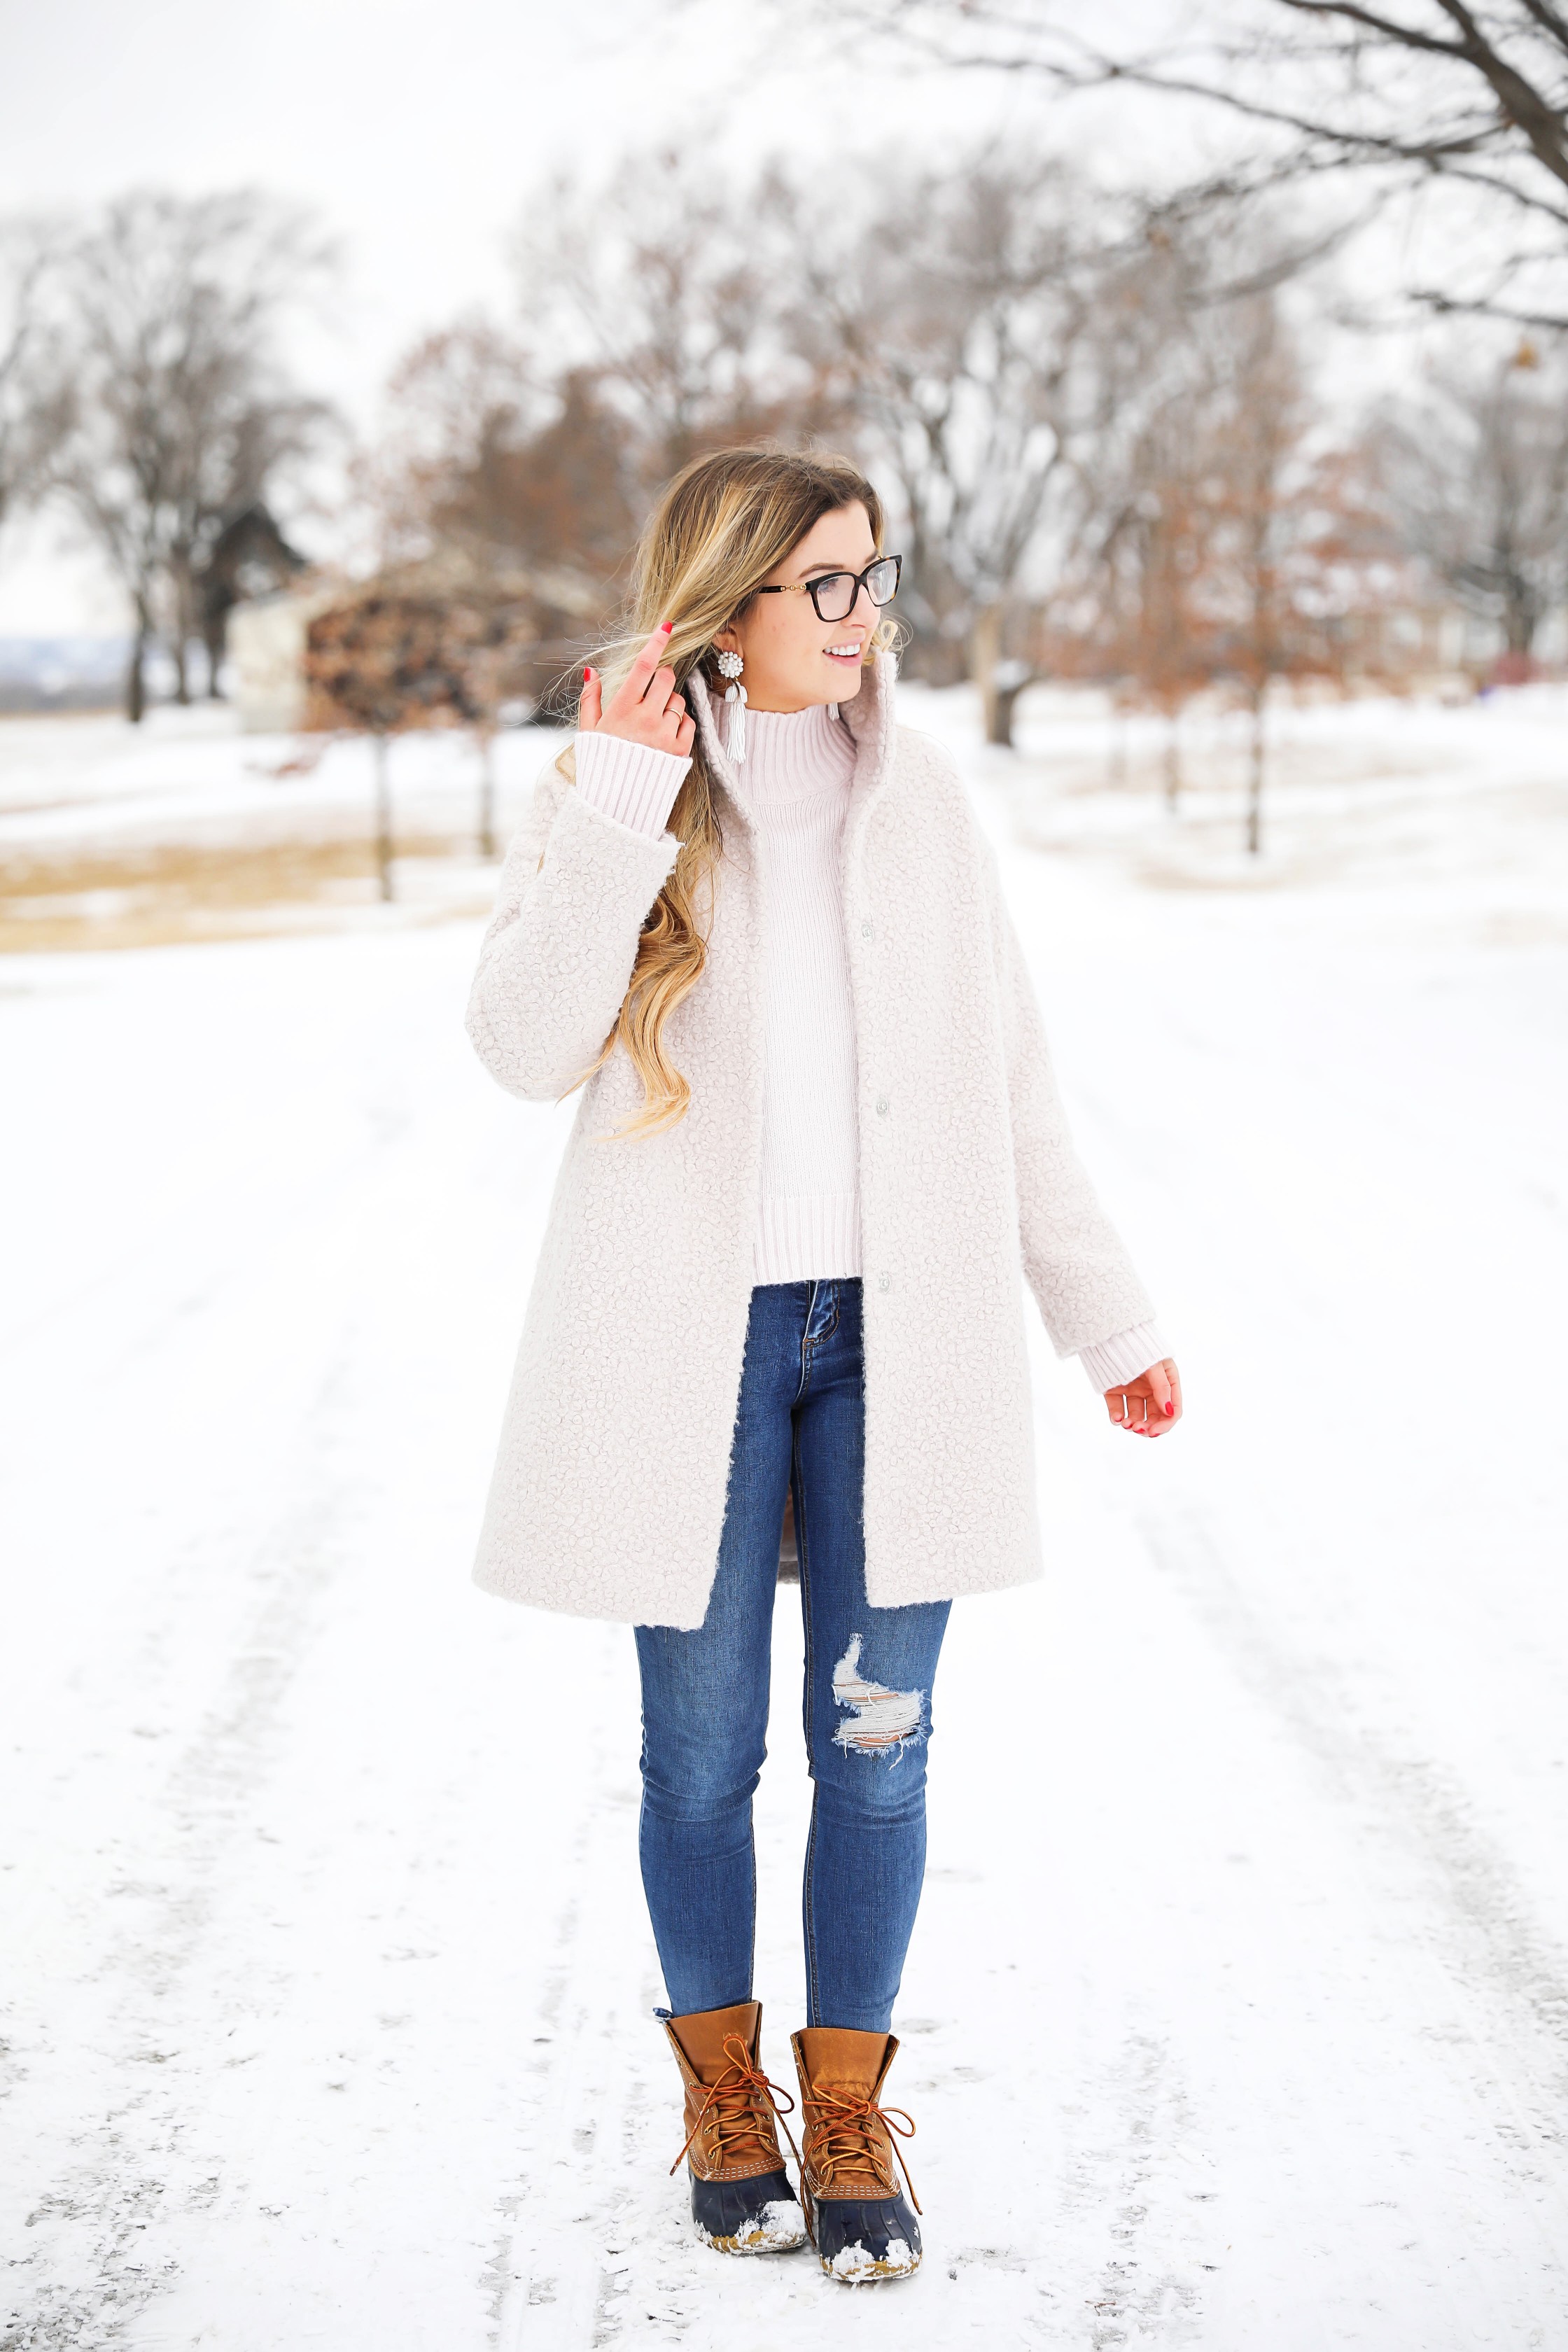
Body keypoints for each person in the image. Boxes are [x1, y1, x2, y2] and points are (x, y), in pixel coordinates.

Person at [465, 447, 1181, 2288]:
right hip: (685, 1357)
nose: (867, 617)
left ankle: (849, 2116)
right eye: (832, 585)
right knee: (699, 1762)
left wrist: (1107, 1315)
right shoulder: (615, 792)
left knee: (878, 1750)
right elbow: (526, 1047)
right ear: (739, 602)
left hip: (893, 1340)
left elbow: (1010, 1084)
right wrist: (623, 800)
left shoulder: (924, 804)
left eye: (877, 578)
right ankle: (723, 2104)